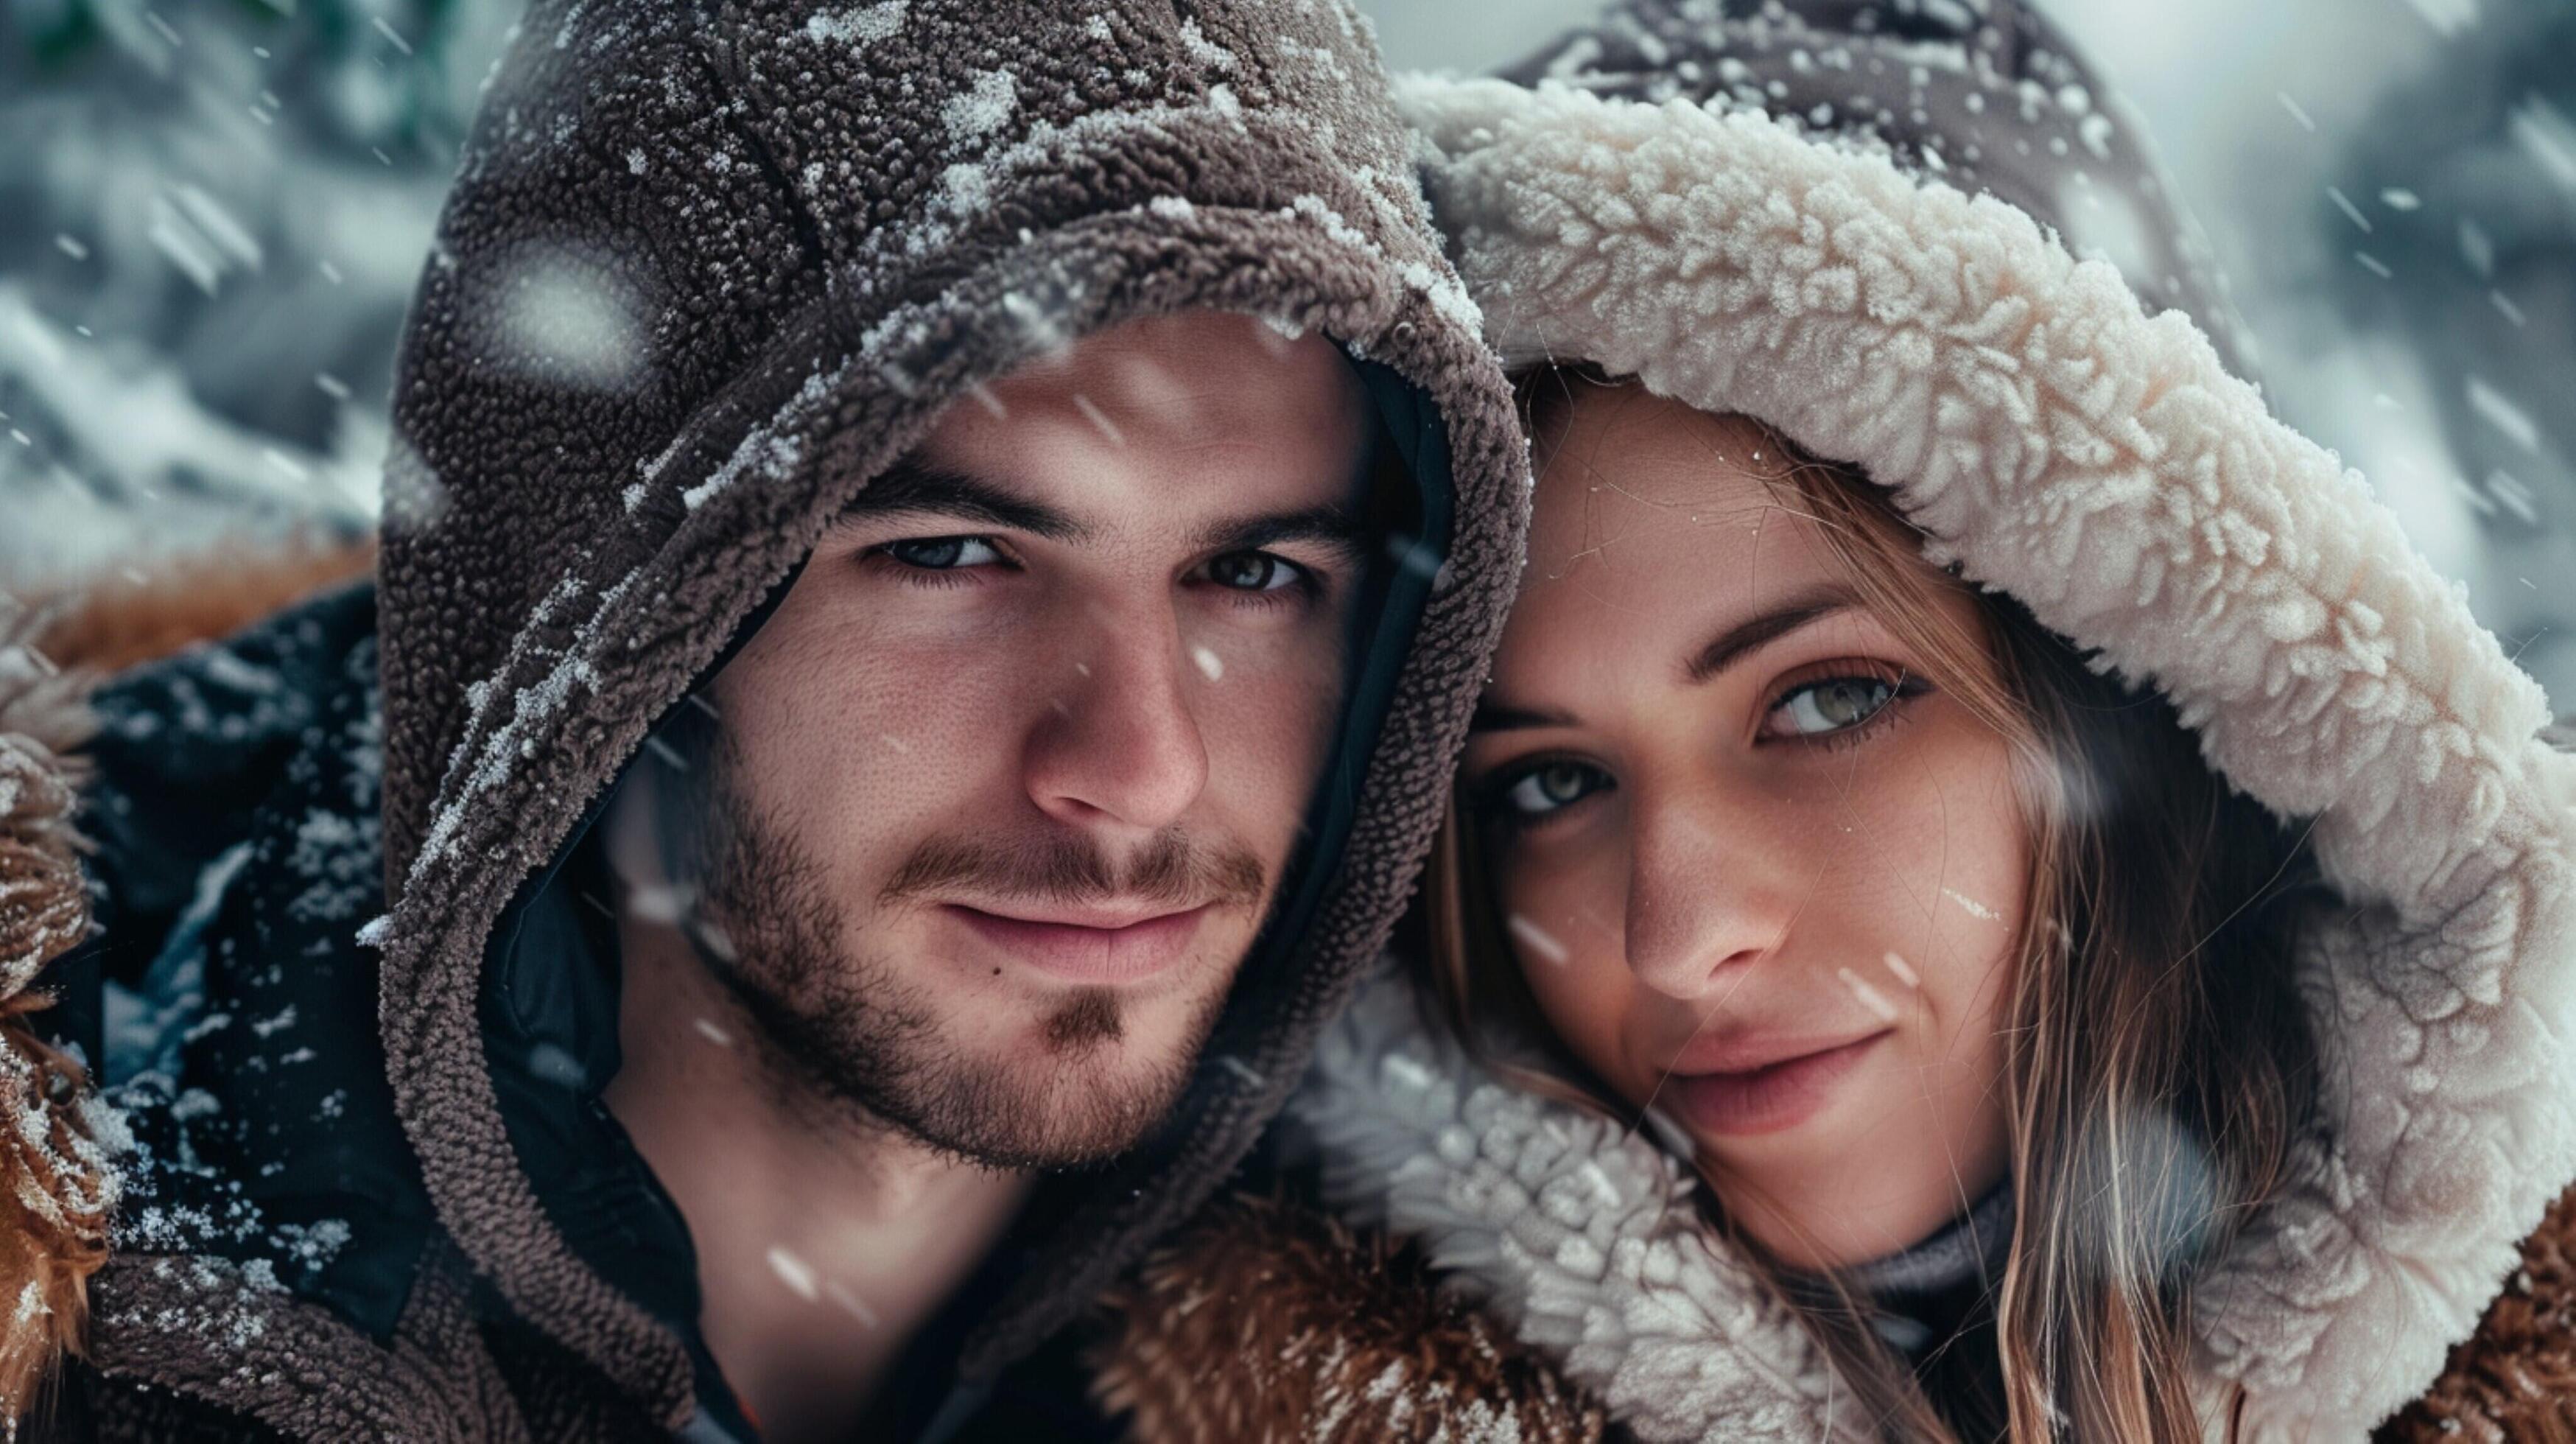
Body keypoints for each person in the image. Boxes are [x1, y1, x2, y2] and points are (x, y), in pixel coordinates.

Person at [0, 0, 1526, 1438]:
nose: (1139, 768)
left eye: (1253, 571)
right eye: (951, 553)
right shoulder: (73, 1346)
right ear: (615, 620)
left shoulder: (1514, 1318)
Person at [1098, 1, 2576, 1440]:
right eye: (1547, 783)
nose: (1679, 935)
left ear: (2142, 689)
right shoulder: (1247, 1395)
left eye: (1824, 701)